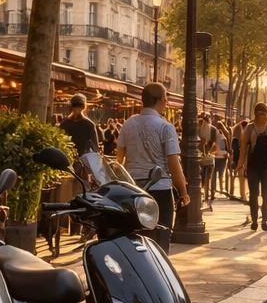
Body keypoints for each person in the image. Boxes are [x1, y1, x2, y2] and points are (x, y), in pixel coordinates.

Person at [116, 82, 190, 250]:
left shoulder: (128, 124)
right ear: (161, 99)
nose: (167, 102)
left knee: (136, 240)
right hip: (160, 190)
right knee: (160, 241)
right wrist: (183, 191)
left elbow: (119, 159)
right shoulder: (165, 126)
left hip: (133, 189)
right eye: (166, 98)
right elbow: (173, 163)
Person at [237, 102, 267, 231]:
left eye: (266, 113)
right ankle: (255, 220)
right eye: (262, 113)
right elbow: (243, 148)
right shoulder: (249, 129)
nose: (265, 116)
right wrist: (240, 164)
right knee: (253, 195)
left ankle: (265, 220)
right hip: (253, 167)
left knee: (266, 195)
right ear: (256, 114)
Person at [59, 94, 101, 161]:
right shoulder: (89, 124)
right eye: (76, 106)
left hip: (67, 159)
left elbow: (59, 142)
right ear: (84, 107)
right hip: (82, 160)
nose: (77, 108)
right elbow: (95, 148)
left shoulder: (64, 123)